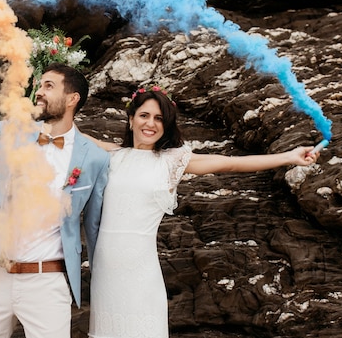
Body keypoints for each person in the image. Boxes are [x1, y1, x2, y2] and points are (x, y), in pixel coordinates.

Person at [85, 85, 320, 338]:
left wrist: (289, 157)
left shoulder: (171, 160)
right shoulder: (112, 154)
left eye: (159, 118)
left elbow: (231, 164)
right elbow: (68, 133)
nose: (150, 123)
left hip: (140, 273)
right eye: (144, 115)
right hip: (105, 274)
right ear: (131, 119)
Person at [0, 22, 110, 338]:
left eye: (49, 86)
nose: (38, 91)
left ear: (72, 99)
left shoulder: (95, 159)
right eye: (39, 85)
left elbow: (94, 229)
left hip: (48, 283)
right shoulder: (8, 135)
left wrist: (101, 289)